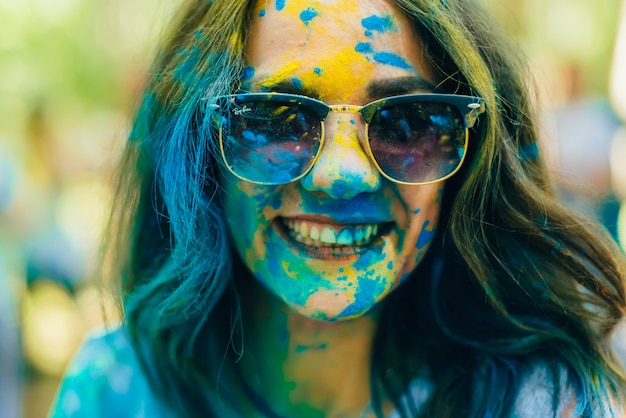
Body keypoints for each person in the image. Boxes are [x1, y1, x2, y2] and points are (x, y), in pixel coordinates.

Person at [49, 0, 626, 416]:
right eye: (276, 119)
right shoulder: (117, 389)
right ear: (199, 153)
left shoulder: (545, 402)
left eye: (410, 124)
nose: (342, 176)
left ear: (469, 163)